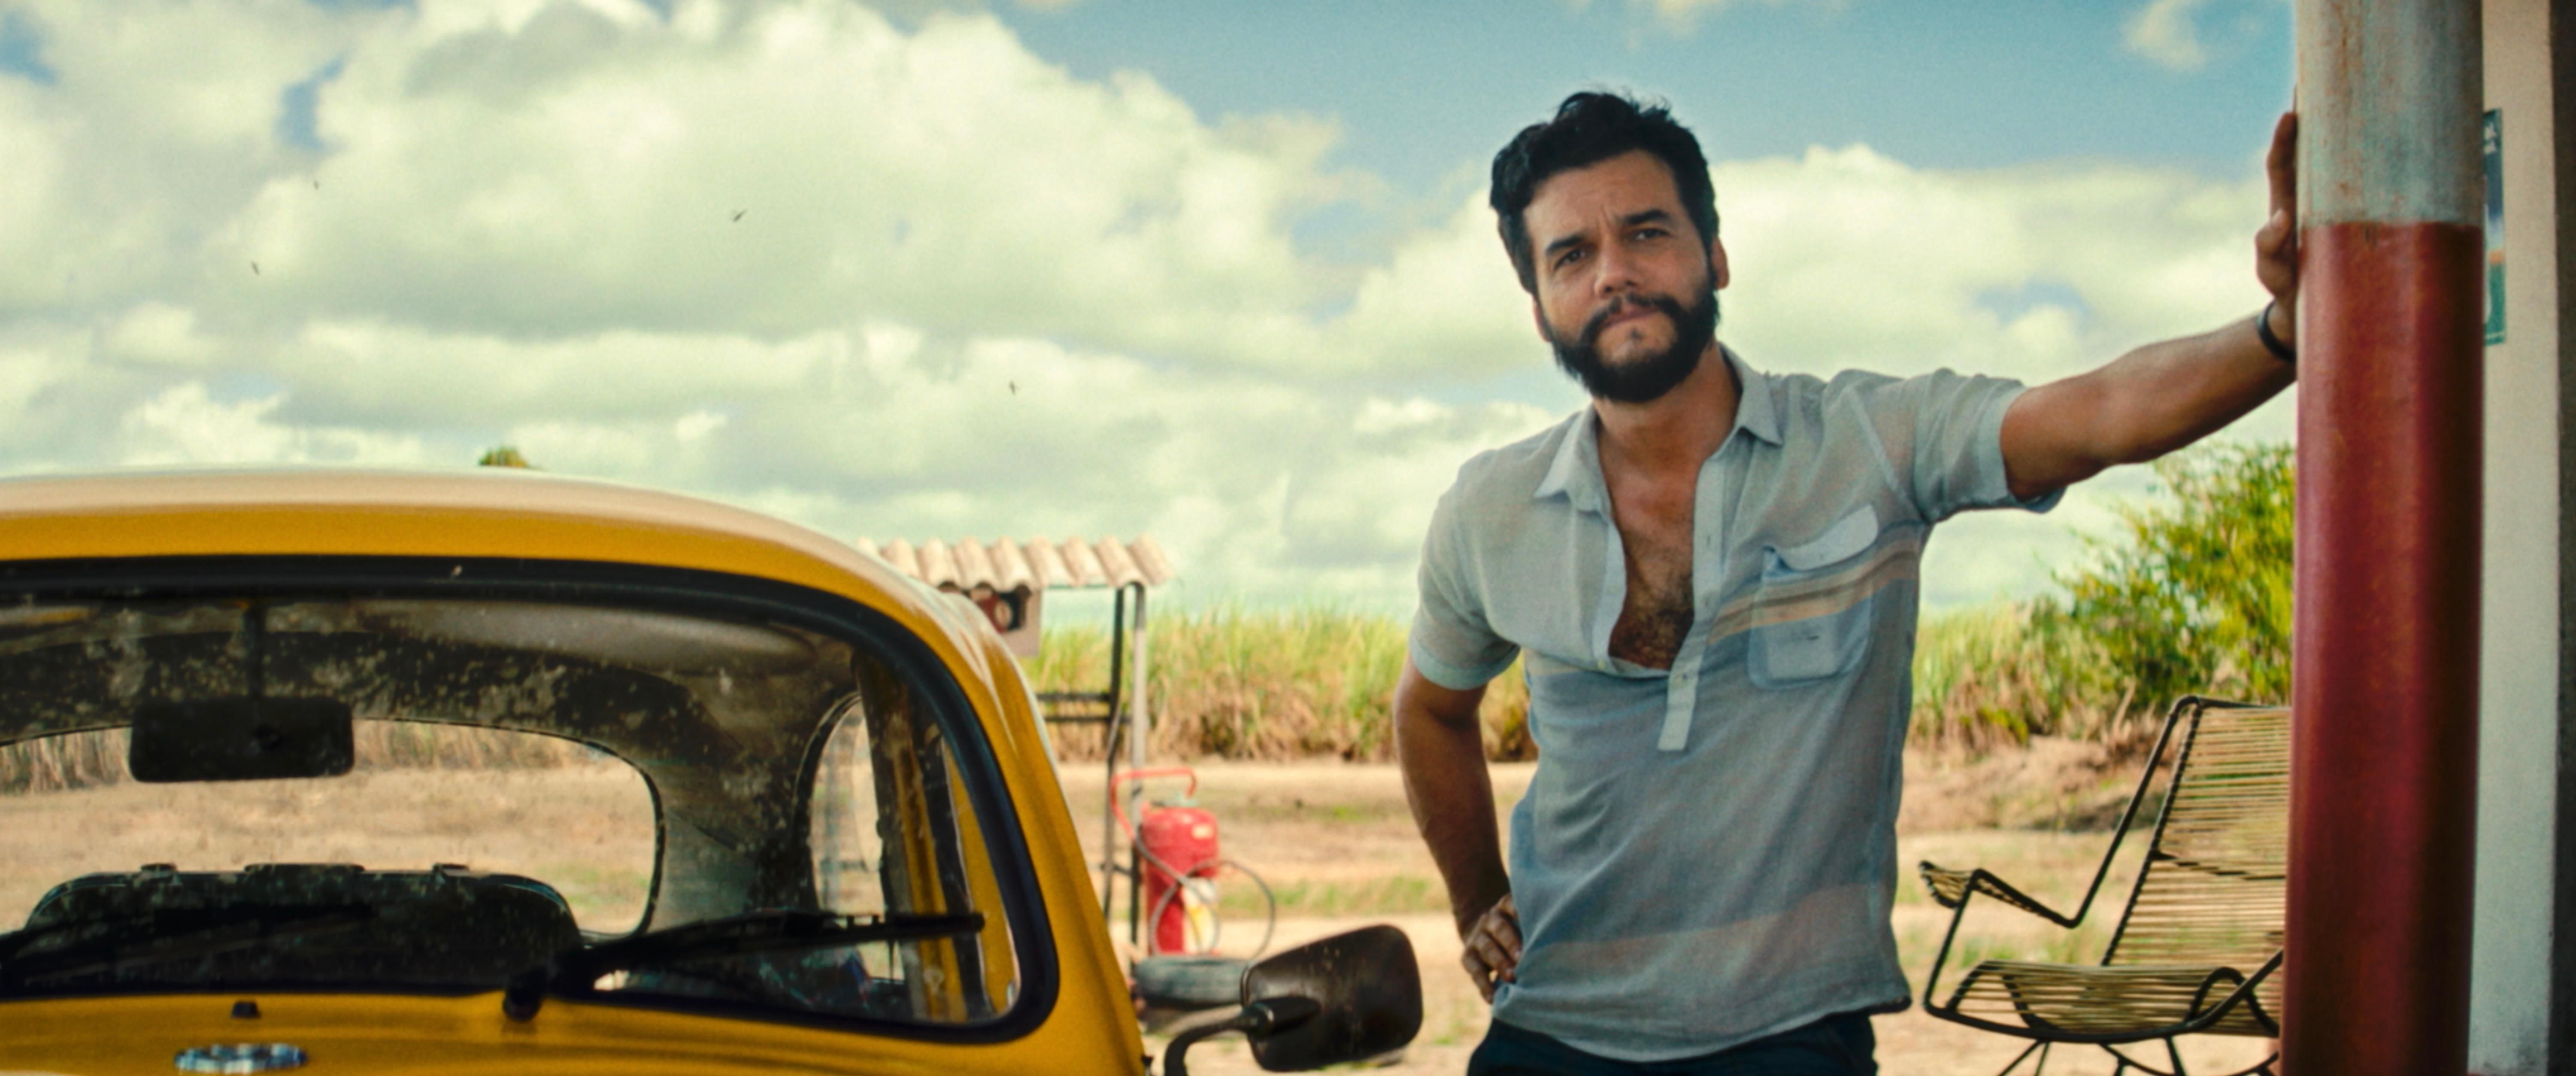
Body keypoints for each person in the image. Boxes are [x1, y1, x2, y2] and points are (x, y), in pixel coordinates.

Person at [1395, 91, 2301, 1075]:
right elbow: (1430, 710)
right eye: (1570, 254)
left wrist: (2283, 332)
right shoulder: (1490, 509)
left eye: (1646, 231)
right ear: (1537, 307)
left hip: (1790, 1034)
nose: (1614, 271)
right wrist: (1475, 895)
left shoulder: (1870, 443)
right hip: (1549, 1030)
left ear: (1714, 255)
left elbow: (2098, 412)